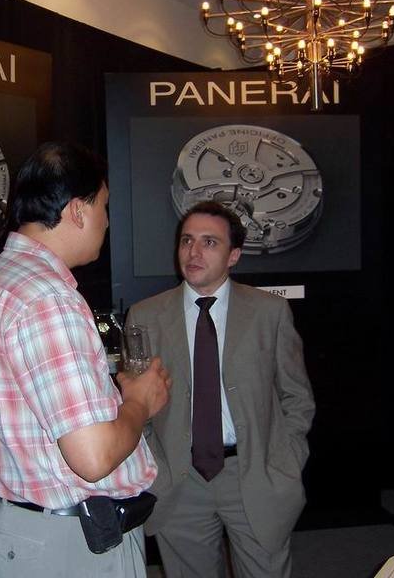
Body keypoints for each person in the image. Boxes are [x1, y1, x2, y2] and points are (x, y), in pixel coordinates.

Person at [0, 141, 171, 577]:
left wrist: (26, 422)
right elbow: (93, 458)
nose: (107, 220)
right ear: (77, 211)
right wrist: (140, 402)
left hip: (27, 529)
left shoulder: (0, 277)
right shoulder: (49, 299)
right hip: (71, 544)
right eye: (104, 205)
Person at [125, 201, 315, 578]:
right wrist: (156, 469)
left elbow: (297, 398)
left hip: (254, 474)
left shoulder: (269, 313)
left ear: (234, 255)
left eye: (209, 242)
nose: (193, 252)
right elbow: (135, 403)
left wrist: (286, 463)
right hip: (179, 480)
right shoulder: (145, 316)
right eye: (187, 241)